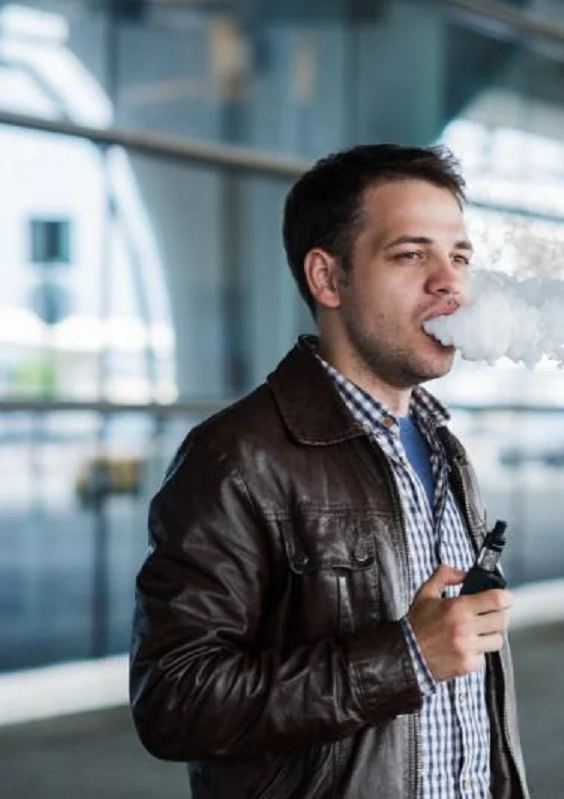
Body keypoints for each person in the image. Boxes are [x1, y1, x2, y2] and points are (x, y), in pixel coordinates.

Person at [129, 144, 528, 798]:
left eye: (459, 256)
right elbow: (174, 699)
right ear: (328, 278)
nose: (449, 283)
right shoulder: (236, 457)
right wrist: (406, 658)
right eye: (410, 254)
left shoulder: (444, 447)